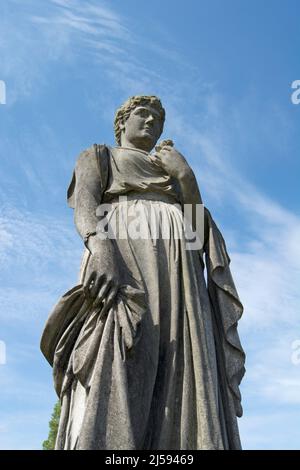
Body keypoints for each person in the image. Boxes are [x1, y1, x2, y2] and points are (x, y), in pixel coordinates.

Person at [41, 95, 245, 450]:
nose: (150, 122)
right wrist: (100, 248)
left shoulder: (172, 171)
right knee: (120, 348)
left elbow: (198, 232)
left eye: (157, 118)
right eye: (142, 114)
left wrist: (186, 178)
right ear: (122, 122)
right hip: (122, 257)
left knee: (181, 359)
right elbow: (86, 207)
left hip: (178, 271)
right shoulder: (99, 156)